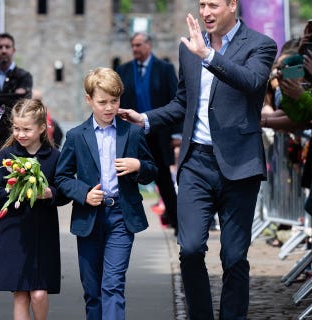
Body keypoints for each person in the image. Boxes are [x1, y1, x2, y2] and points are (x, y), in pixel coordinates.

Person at [118, 0, 277, 318]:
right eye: (202, 4)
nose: (205, 11)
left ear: (233, 5)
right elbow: (182, 103)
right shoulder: (190, 47)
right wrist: (145, 118)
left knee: (234, 257)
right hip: (196, 164)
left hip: (239, 165)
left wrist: (209, 56)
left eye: (213, 5)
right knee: (189, 249)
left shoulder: (261, 45)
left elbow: (252, 82)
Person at [55, 67, 157, 320]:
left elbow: (152, 170)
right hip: (89, 217)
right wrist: (84, 193)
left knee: (112, 285)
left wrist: (139, 166)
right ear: (89, 100)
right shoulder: (76, 136)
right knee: (92, 291)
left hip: (122, 216)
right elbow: (62, 177)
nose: (109, 107)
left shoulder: (131, 132)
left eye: (115, 101)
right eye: (102, 102)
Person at [0, 99, 69, 320]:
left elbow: (64, 193)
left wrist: (50, 193)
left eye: (26, 129)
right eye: (16, 128)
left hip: (44, 234)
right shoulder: (7, 155)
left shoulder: (54, 157)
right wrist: (15, 192)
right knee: (21, 294)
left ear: (42, 128)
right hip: (15, 232)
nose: (20, 134)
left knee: (40, 294)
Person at [116, 31, 179, 232]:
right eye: (133, 45)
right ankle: (123, 222)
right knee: (126, 176)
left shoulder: (165, 69)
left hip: (159, 134)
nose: (135, 49)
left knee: (165, 181)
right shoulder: (123, 71)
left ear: (149, 45)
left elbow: (176, 101)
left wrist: (176, 134)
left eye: (139, 45)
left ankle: (177, 222)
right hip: (133, 135)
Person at [0, 32, 33, 254]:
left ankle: (12, 233)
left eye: (7, 47)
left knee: (16, 186)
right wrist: (10, 96)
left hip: (15, 141)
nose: (3, 50)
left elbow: (21, 102)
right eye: (0, 47)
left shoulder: (24, 75)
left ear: (13, 50)